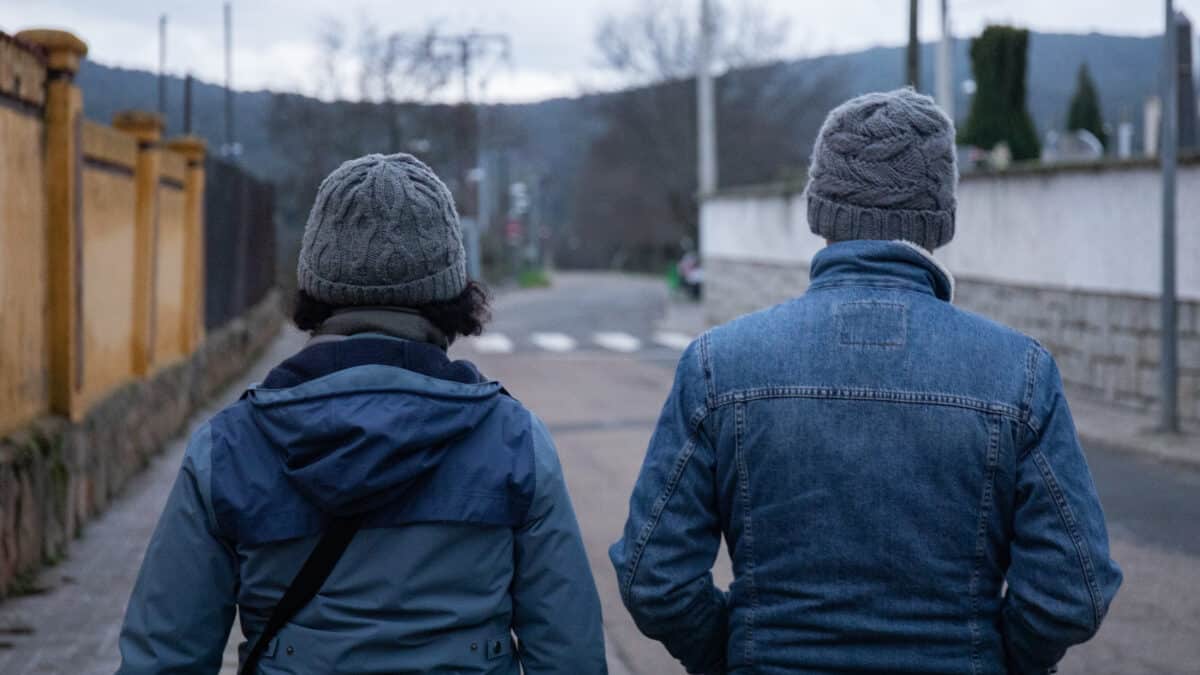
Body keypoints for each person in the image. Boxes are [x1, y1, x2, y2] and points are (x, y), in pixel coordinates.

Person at [610, 89, 1122, 675]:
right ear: (942, 219)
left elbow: (654, 577)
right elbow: (1073, 591)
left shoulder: (717, 364)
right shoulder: (1020, 373)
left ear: (818, 209)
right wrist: (992, 655)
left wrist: (733, 651)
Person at [117, 153, 607, 674]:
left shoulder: (228, 449)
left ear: (315, 284)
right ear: (450, 291)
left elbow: (162, 659)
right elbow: (569, 655)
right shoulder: (515, 443)